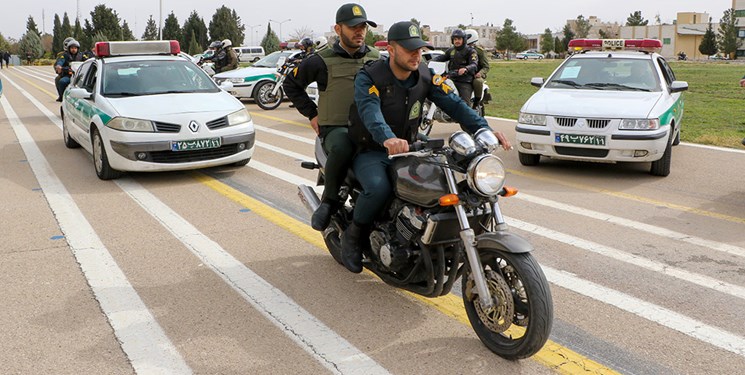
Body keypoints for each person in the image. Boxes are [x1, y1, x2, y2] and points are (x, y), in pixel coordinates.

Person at [344, 21, 512, 273]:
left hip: (412, 148)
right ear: (391, 49)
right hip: (373, 149)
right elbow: (370, 111)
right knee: (379, 188)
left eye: (420, 49)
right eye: (410, 49)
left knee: (441, 187)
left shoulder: (425, 75)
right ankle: (353, 237)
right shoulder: (370, 76)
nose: (416, 55)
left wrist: (482, 129)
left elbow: (455, 104)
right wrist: (387, 138)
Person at [283, 3, 380, 232]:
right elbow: (291, 84)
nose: (360, 32)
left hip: (370, 127)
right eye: (353, 27)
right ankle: (328, 201)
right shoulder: (320, 60)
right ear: (338, 29)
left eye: (363, 26)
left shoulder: (375, 57)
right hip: (336, 128)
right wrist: (312, 114)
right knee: (345, 145)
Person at [433, 28, 478, 104]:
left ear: (464, 40)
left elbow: (474, 64)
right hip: (451, 78)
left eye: (459, 39)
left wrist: (465, 68)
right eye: (455, 39)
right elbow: (441, 58)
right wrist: (429, 62)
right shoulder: (451, 50)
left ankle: (466, 115)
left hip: (464, 81)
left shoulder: (471, 51)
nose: (457, 41)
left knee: (464, 105)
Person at [464, 28, 490, 110]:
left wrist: (480, 73)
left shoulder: (479, 51)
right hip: (462, 74)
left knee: (478, 82)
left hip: (475, 75)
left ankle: (476, 103)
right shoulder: (459, 50)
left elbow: (486, 66)